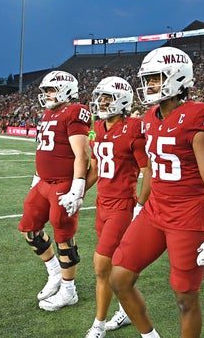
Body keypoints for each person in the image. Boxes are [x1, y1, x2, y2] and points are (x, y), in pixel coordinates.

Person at [109, 47, 204, 338]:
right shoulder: (150, 117)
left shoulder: (197, 116)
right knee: (119, 278)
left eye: (156, 78)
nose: (149, 85)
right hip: (155, 210)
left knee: (185, 297)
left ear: (177, 78)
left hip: (188, 214)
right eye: (148, 79)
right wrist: (142, 203)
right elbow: (151, 166)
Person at [17, 70, 91, 311]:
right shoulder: (49, 112)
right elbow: (45, 150)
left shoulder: (74, 111)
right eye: (45, 91)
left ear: (66, 89)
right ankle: (54, 272)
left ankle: (69, 290)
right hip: (44, 183)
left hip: (63, 184)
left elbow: (82, 154)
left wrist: (78, 188)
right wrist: (37, 176)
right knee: (29, 229)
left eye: (51, 90)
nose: (47, 95)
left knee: (64, 238)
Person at [83, 76, 151, 338]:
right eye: (100, 97)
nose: (101, 102)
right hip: (102, 204)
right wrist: (78, 193)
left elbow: (148, 170)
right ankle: (125, 309)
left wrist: (140, 205)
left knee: (101, 266)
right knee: (114, 264)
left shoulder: (133, 127)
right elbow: (98, 168)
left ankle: (98, 325)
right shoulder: (98, 127)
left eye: (107, 98)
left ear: (121, 100)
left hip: (122, 206)